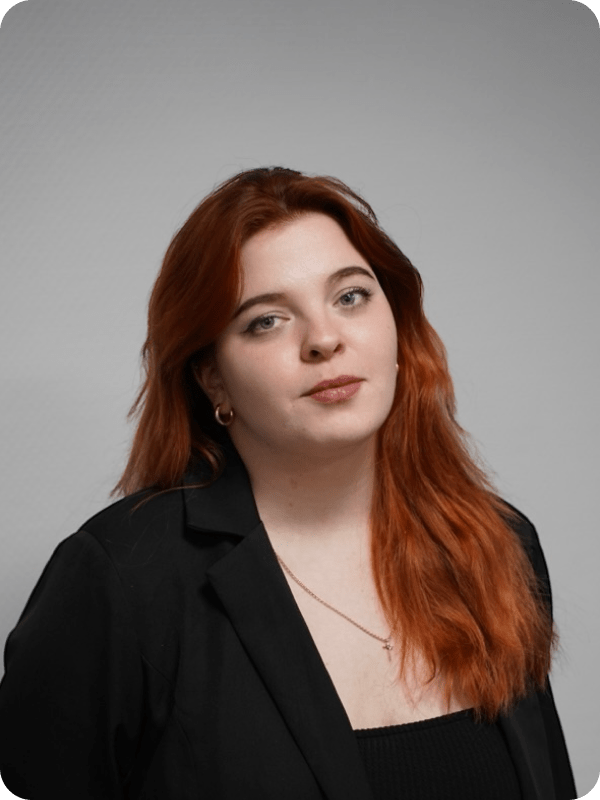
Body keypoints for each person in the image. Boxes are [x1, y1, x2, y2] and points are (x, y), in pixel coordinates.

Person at [0, 167, 576, 800]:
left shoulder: (500, 542)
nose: (324, 339)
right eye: (266, 320)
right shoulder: (122, 579)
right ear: (212, 378)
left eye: (350, 296)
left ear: (397, 327)